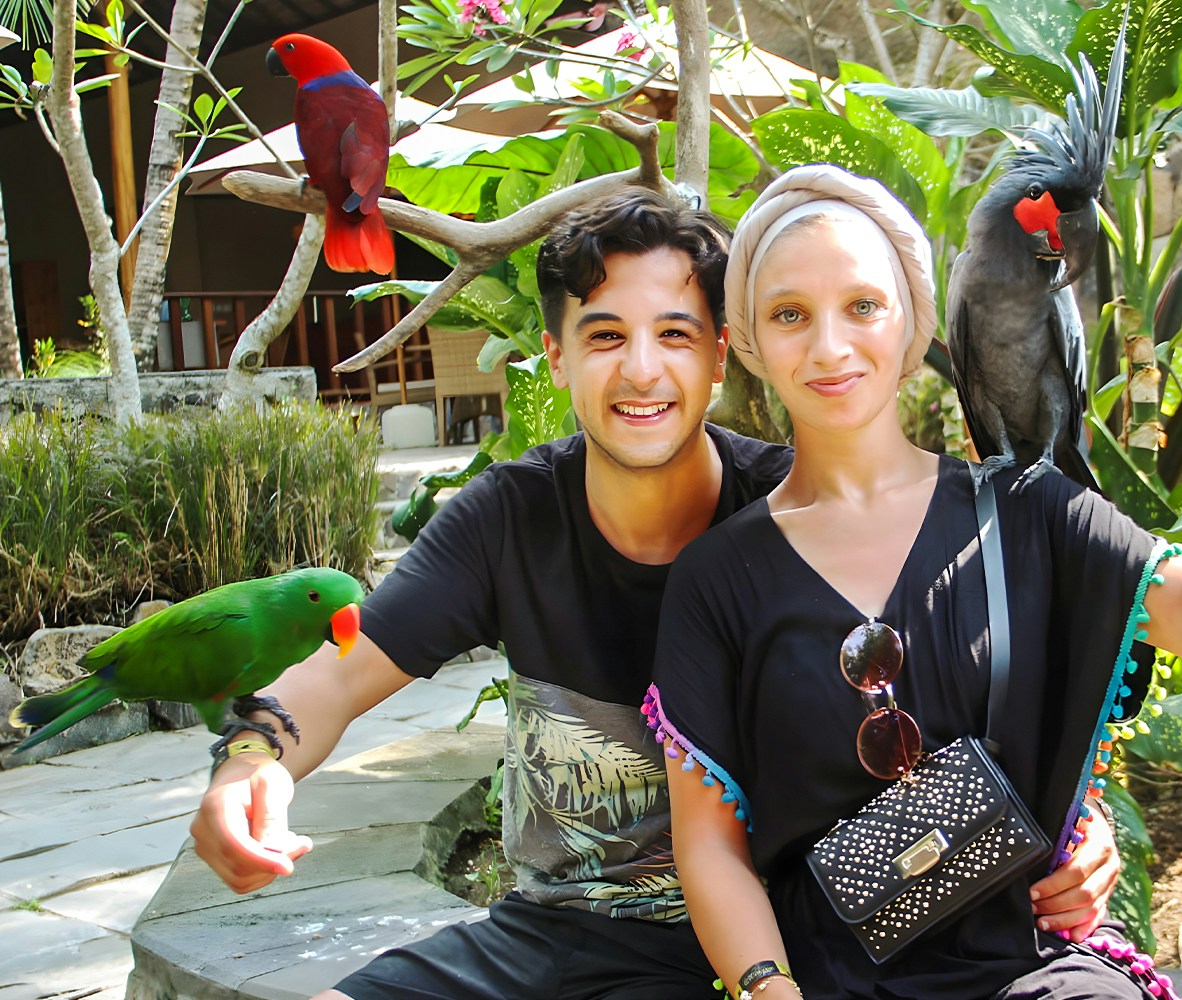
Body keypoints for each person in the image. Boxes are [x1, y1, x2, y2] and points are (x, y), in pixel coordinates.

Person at [187, 186, 1124, 1000]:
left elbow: (959, 697)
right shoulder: (511, 519)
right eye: (603, 337)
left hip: (781, 947)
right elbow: (342, 675)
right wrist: (250, 768)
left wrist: (1077, 824)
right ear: (555, 358)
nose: (641, 371)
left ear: (722, 356)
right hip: (554, 933)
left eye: (674, 336)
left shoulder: (798, 522)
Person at [650, 165, 1182, 1000]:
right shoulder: (717, 579)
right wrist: (769, 988)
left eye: (863, 306)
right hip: (825, 976)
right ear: (747, 338)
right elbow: (710, 846)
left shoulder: (1023, 509)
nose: (831, 347)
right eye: (791, 315)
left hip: (1034, 958)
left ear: (910, 322)